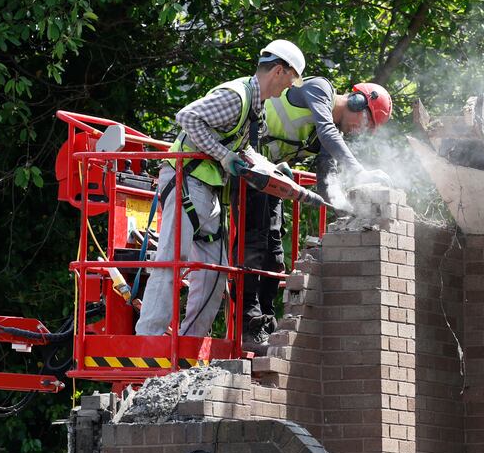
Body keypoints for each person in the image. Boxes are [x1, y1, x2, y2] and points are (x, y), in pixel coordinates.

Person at [135, 40, 306, 338]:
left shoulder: (256, 104)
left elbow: (244, 147)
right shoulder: (236, 96)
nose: (287, 90)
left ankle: (189, 344)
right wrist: (223, 155)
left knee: (216, 272)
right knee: (170, 262)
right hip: (186, 181)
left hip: (209, 189)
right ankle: (149, 340)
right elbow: (187, 117)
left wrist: (271, 167)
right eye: (290, 81)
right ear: (279, 71)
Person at [238, 78, 393, 353]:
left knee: (274, 255)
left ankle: (265, 325)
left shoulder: (332, 134)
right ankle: (247, 326)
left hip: (269, 178)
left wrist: (356, 214)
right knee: (255, 245)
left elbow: (327, 181)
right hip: (248, 166)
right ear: (357, 102)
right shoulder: (319, 89)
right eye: (365, 123)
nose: (361, 130)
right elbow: (327, 133)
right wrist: (359, 171)